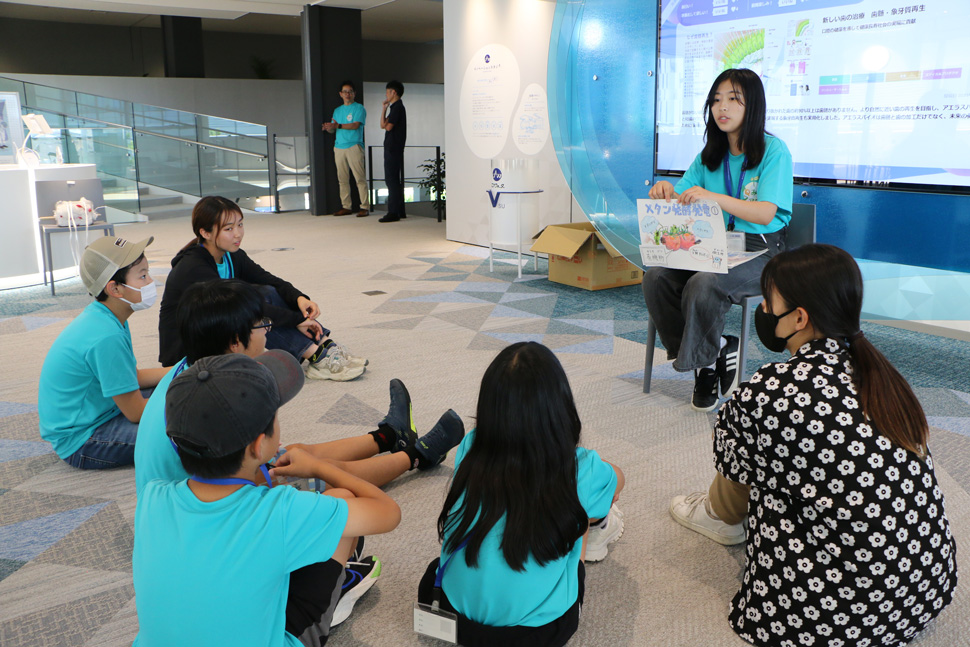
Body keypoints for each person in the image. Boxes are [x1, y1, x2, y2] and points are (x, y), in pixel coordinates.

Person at [669, 244, 958, 647]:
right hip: (924, 589)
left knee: (742, 479)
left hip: (833, 617)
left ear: (799, 318)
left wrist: (718, 511)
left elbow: (733, 504)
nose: (765, 315)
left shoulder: (767, 392)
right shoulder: (885, 379)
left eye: (769, 305)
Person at [132, 352, 402, 646]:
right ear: (260, 445)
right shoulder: (282, 510)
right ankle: (337, 594)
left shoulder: (151, 496)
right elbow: (387, 513)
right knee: (341, 499)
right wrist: (318, 467)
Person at [137, 278, 465, 497]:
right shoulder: (220, 396)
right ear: (236, 342)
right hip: (212, 497)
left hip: (202, 479)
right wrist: (308, 471)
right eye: (262, 325)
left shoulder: (195, 374)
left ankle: (390, 435)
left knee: (296, 453)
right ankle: (416, 456)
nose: (268, 331)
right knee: (325, 477)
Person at [418, 342, 625, 647]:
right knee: (581, 512)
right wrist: (600, 478)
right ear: (560, 407)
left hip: (450, 612)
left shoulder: (471, 445)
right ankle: (596, 533)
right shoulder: (580, 466)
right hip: (535, 634)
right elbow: (620, 480)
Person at [643, 68, 793, 412]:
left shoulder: (773, 151)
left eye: (732, 99)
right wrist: (666, 192)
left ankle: (705, 365)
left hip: (762, 248)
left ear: (752, 105)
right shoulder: (709, 155)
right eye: (715, 100)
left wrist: (713, 198)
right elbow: (682, 198)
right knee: (656, 277)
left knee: (704, 283)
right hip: (715, 246)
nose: (721, 107)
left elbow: (766, 213)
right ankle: (715, 349)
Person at [157, 195, 367, 381]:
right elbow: (244, 308)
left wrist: (299, 299)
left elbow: (269, 279)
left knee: (265, 291)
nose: (238, 234)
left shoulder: (231, 255)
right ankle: (315, 355)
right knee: (250, 312)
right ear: (205, 232)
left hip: (217, 331)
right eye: (229, 229)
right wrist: (298, 320)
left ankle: (324, 346)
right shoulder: (193, 267)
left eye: (240, 225)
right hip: (189, 349)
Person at [38, 235, 167, 469]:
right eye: (143, 275)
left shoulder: (107, 316)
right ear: (115, 288)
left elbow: (130, 377)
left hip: (104, 410)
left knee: (174, 387)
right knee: (187, 430)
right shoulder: (106, 336)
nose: (151, 281)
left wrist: (178, 370)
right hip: (84, 439)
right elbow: (136, 412)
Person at [322, 80, 369, 217]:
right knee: (342, 179)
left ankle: (364, 207)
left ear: (354, 93)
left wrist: (337, 126)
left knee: (359, 178)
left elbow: (355, 125)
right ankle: (346, 206)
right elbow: (334, 129)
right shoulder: (337, 111)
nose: (347, 94)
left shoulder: (359, 108)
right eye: (345, 92)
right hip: (339, 147)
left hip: (354, 145)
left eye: (350, 91)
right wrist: (328, 128)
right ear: (340, 94)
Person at [379, 80, 407, 223]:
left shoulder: (398, 108)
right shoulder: (394, 107)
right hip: (393, 147)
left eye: (387, 91)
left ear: (393, 92)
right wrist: (384, 108)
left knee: (391, 180)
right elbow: (382, 124)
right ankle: (399, 211)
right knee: (393, 179)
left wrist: (387, 113)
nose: (386, 94)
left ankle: (393, 212)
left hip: (393, 148)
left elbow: (388, 127)